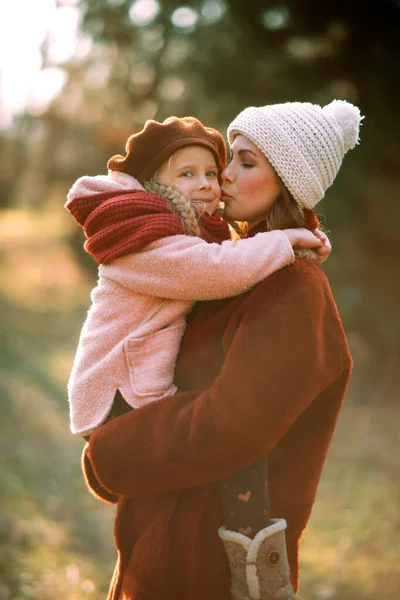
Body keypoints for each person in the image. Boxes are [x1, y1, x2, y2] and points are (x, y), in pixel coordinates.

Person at [80, 100, 361, 600]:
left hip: (216, 567)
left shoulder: (294, 289)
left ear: (289, 183)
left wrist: (109, 452)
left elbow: (229, 424)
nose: (223, 176)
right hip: (167, 552)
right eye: (228, 158)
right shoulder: (228, 269)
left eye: (245, 162)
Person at [65, 116, 325, 437]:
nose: (205, 183)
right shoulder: (141, 238)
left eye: (211, 173)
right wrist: (284, 241)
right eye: (187, 174)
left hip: (137, 385)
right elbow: (215, 268)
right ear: (153, 187)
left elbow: (230, 254)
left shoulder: (184, 230)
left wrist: (304, 235)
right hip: (118, 390)